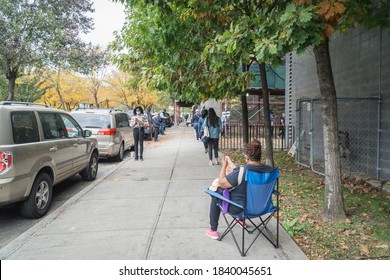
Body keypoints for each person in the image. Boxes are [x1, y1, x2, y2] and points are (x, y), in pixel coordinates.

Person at [205, 140, 274, 240]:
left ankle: (213, 230)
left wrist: (224, 166)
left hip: (241, 209)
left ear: (247, 157)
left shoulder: (242, 172)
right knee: (242, 193)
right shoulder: (270, 171)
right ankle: (240, 221)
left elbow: (221, 183)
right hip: (264, 207)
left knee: (215, 192)